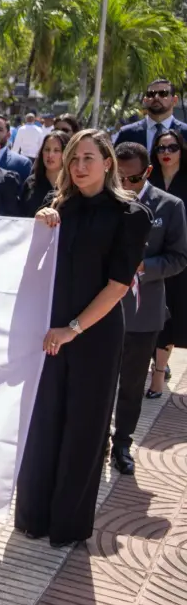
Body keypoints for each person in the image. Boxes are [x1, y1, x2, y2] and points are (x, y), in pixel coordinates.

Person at [19, 129, 152, 547]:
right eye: (74, 158)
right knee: (44, 423)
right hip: (49, 334)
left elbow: (117, 286)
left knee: (85, 428)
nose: (79, 166)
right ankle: (33, 517)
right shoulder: (55, 207)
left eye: (89, 158)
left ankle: (68, 524)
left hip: (93, 335)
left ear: (108, 162)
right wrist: (39, 227)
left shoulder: (132, 215)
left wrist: (72, 329)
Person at [111, 141, 187, 475]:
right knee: (98, 382)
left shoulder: (169, 206)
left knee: (130, 386)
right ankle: (95, 440)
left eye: (133, 179)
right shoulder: (105, 198)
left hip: (144, 313)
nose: (126, 186)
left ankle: (122, 444)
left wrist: (144, 266)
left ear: (148, 172)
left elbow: (180, 257)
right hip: (102, 310)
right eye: (120, 178)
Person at [147, 128, 187, 399]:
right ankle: (156, 363)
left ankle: (159, 372)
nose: (166, 153)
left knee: (173, 315)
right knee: (153, 314)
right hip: (152, 258)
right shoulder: (148, 181)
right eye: (161, 148)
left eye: (172, 148)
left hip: (180, 259)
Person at [115, 79, 187, 152]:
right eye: (151, 94)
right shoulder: (127, 133)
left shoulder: (185, 132)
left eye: (163, 93)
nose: (156, 97)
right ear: (145, 100)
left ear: (174, 100)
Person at [21, 131, 70, 217]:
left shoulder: (72, 186)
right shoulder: (31, 182)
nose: (50, 155)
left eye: (56, 150)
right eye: (47, 150)